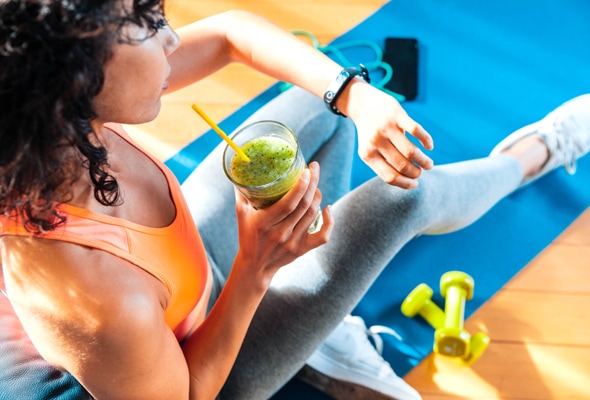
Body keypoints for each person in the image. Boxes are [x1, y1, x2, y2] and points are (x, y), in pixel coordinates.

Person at [0, 0, 589, 399]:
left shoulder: (54, 123)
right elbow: (189, 394)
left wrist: (354, 96)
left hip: (188, 286)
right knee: (399, 203)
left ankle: (323, 332)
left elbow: (231, 34)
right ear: (75, 76)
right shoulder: (96, 296)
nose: (173, 36)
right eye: (149, 26)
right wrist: (258, 268)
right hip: (208, 369)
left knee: (319, 104)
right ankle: (533, 154)